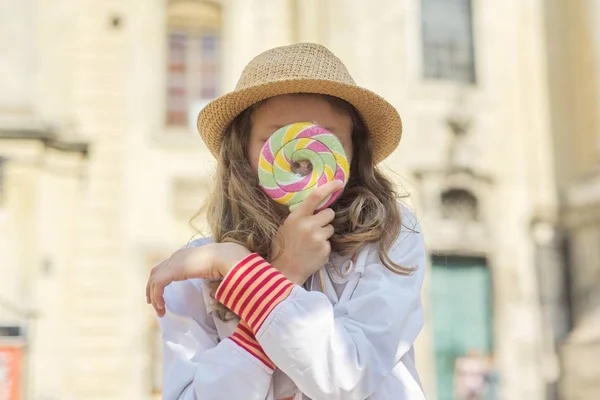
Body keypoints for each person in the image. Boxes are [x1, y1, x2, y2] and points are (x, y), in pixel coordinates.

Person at [146, 43, 427, 400]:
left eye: (324, 138)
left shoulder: (389, 235)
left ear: (353, 154)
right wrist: (282, 271)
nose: (302, 158)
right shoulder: (196, 271)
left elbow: (347, 375)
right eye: (279, 137)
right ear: (243, 152)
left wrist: (243, 272)